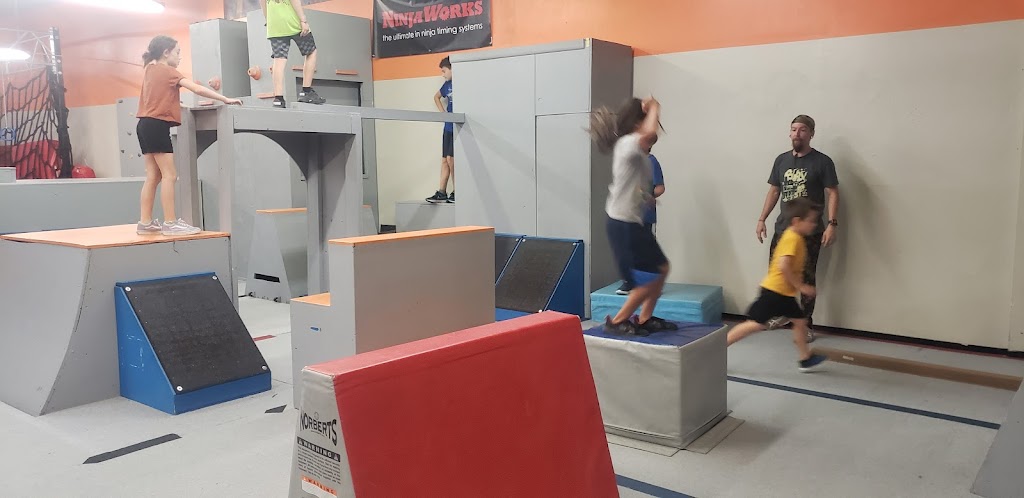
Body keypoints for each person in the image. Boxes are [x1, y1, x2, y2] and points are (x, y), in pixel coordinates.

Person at [135, 35, 242, 236]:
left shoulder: (150, 69)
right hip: (157, 125)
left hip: (143, 125)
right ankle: (170, 223)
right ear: (166, 52)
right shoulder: (170, 72)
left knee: (153, 175)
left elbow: (156, 96)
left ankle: (145, 222)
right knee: (170, 175)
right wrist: (224, 98)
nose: (180, 57)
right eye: (177, 52)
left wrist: (176, 104)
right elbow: (197, 88)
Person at [589, 96, 677, 336]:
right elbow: (649, 134)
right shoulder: (627, 143)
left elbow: (633, 181)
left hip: (633, 222)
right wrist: (655, 106)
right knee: (645, 281)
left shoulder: (639, 154)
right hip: (622, 224)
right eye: (647, 119)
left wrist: (645, 197)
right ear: (638, 122)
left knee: (662, 268)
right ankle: (617, 321)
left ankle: (644, 318)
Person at [755, 115, 839, 342]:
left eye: (802, 130)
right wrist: (762, 219)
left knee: (806, 278)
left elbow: (833, 192)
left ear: (811, 134)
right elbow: (774, 191)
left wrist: (832, 224)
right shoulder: (781, 160)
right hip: (783, 229)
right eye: (794, 129)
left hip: (810, 232)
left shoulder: (822, 162)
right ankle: (781, 314)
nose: (797, 133)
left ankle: (806, 324)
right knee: (778, 273)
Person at [729, 197, 828, 372]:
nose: (814, 225)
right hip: (774, 292)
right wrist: (801, 287)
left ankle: (805, 358)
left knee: (800, 322)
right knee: (755, 324)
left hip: (785, 294)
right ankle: (718, 347)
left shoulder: (796, 237)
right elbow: (784, 266)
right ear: (796, 221)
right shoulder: (792, 238)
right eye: (811, 221)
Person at [617, 136, 665, 295]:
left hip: (644, 213)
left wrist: (646, 196)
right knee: (628, 246)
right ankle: (632, 282)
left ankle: (648, 282)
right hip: (629, 213)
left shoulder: (651, 162)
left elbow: (660, 188)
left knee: (643, 248)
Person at [261, 0, 325, 108]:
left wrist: (267, 19)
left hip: (274, 24)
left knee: (279, 59)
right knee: (311, 52)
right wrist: (303, 20)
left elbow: (262, 2)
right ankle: (306, 91)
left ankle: (278, 99)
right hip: (293, 21)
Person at [427, 56, 455, 204]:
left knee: (452, 159)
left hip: (457, 126)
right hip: (448, 126)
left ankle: (457, 191)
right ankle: (442, 191)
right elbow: (436, 97)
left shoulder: (462, 83)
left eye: (444, 71)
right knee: (445, 160)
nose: (443, 74)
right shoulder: (447, 85)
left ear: (452, 69)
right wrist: (443, 113)